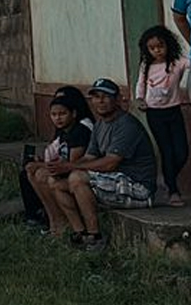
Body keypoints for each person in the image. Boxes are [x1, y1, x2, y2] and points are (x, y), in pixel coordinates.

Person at [51, 78, 158, 250]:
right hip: (115, 181)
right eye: (96, 97)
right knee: (57, 184)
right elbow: (88, 157)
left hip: (138, 187)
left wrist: (71, 167)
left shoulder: (126, 124)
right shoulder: (100, 125)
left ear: (117, 99)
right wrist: (60, 167)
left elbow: (110, 163)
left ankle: (95, 236)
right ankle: (80, 233)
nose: (100, 101)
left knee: (77, 178)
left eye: (105, 97)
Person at [133, 25, 188, 207]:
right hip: (155, 114)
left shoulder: (176, 63)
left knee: (181, 151)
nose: (157, 51)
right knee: (166, 150)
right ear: (147, 50)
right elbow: (140, 85)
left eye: (160, 46)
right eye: (152, 48)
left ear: (168, 45)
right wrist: (140, 99)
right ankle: (173, 191)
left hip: (174, 111)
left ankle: (167, 177)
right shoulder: (146, 66)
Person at [23, 93, 92, 235]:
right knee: (31, 170)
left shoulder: (79, 131)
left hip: (78, 173)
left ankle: (62, 222)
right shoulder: (63, 131)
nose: (58, 118)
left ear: (73, 114)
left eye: (62, 114)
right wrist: (41, 161)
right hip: (64, 170)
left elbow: (72, 163)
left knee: (43, 175)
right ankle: (53, 219)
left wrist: (42, 166)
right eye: (54, 114)